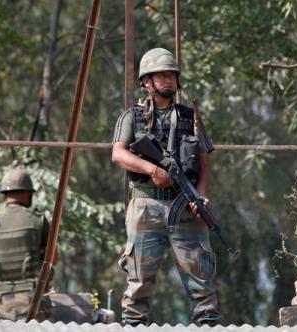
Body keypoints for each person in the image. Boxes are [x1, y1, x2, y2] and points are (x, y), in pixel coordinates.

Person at [112, 48, 220, 326]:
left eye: (172, 75)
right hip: (146, 205)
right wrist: (153, 170)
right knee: (139, 279)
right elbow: (119, 154)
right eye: (162, 75)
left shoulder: (190, 117)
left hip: (185, 205)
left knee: (201, 276)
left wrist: (202, 194)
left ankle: (206, 323)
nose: (169, 80)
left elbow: (205, 163)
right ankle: (134, 324)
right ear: (146, 82)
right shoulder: (131, 117)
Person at [0, 168, 57, 321]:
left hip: (0, 303)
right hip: (33, 302)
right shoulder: (38, 220)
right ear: (24, 193)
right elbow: (54, 259)